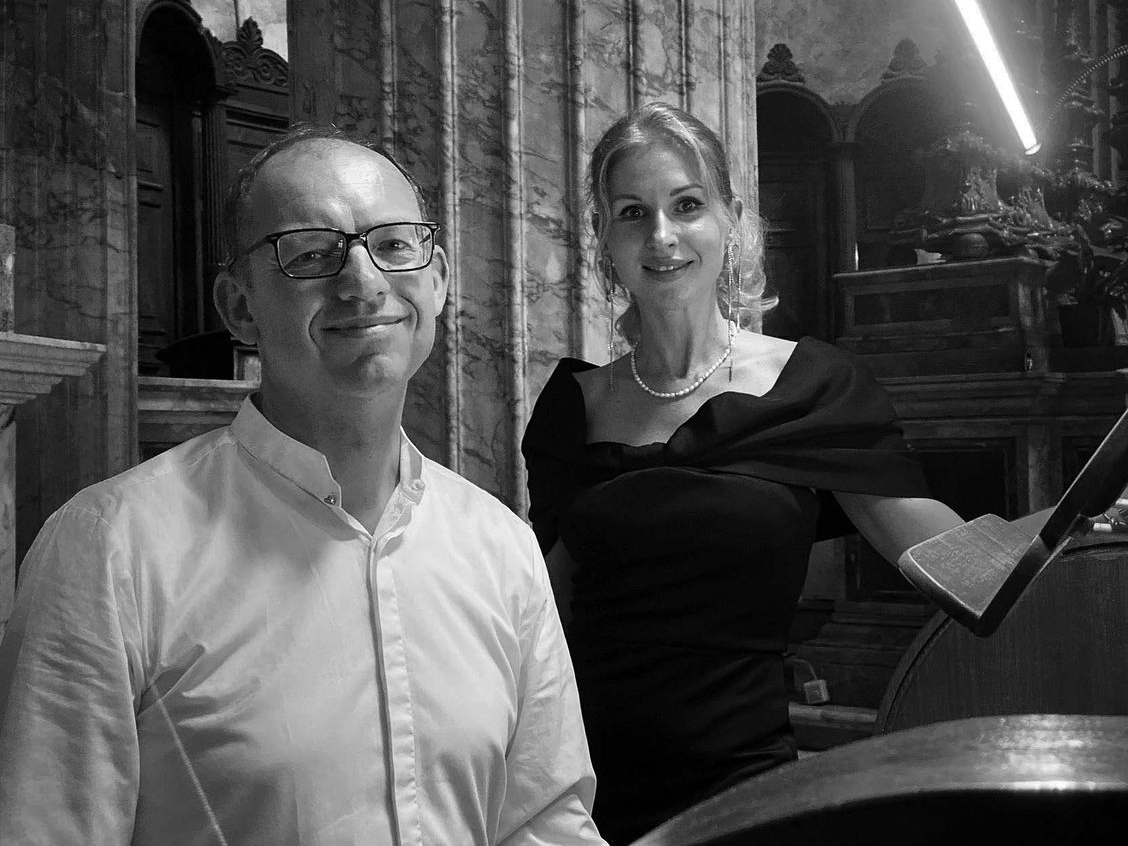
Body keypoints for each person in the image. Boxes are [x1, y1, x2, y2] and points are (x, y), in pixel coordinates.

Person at [0, 127, 606, 846]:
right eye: (311, 252)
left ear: (437, 279)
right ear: (239, 306)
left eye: (395, 243)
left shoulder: (501, 545)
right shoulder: (109, 551)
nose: (363, 281)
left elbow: (545, 825)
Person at [521, 102, 967, 844]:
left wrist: (1100, 517)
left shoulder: (811, 389)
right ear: (605, 237)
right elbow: (548, 614)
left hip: (745, 790)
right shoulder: (575, 408)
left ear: (731, 219)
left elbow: (952, 563)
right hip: (585, 792)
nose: (661, 235)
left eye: (686, 205)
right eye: (633, 212)